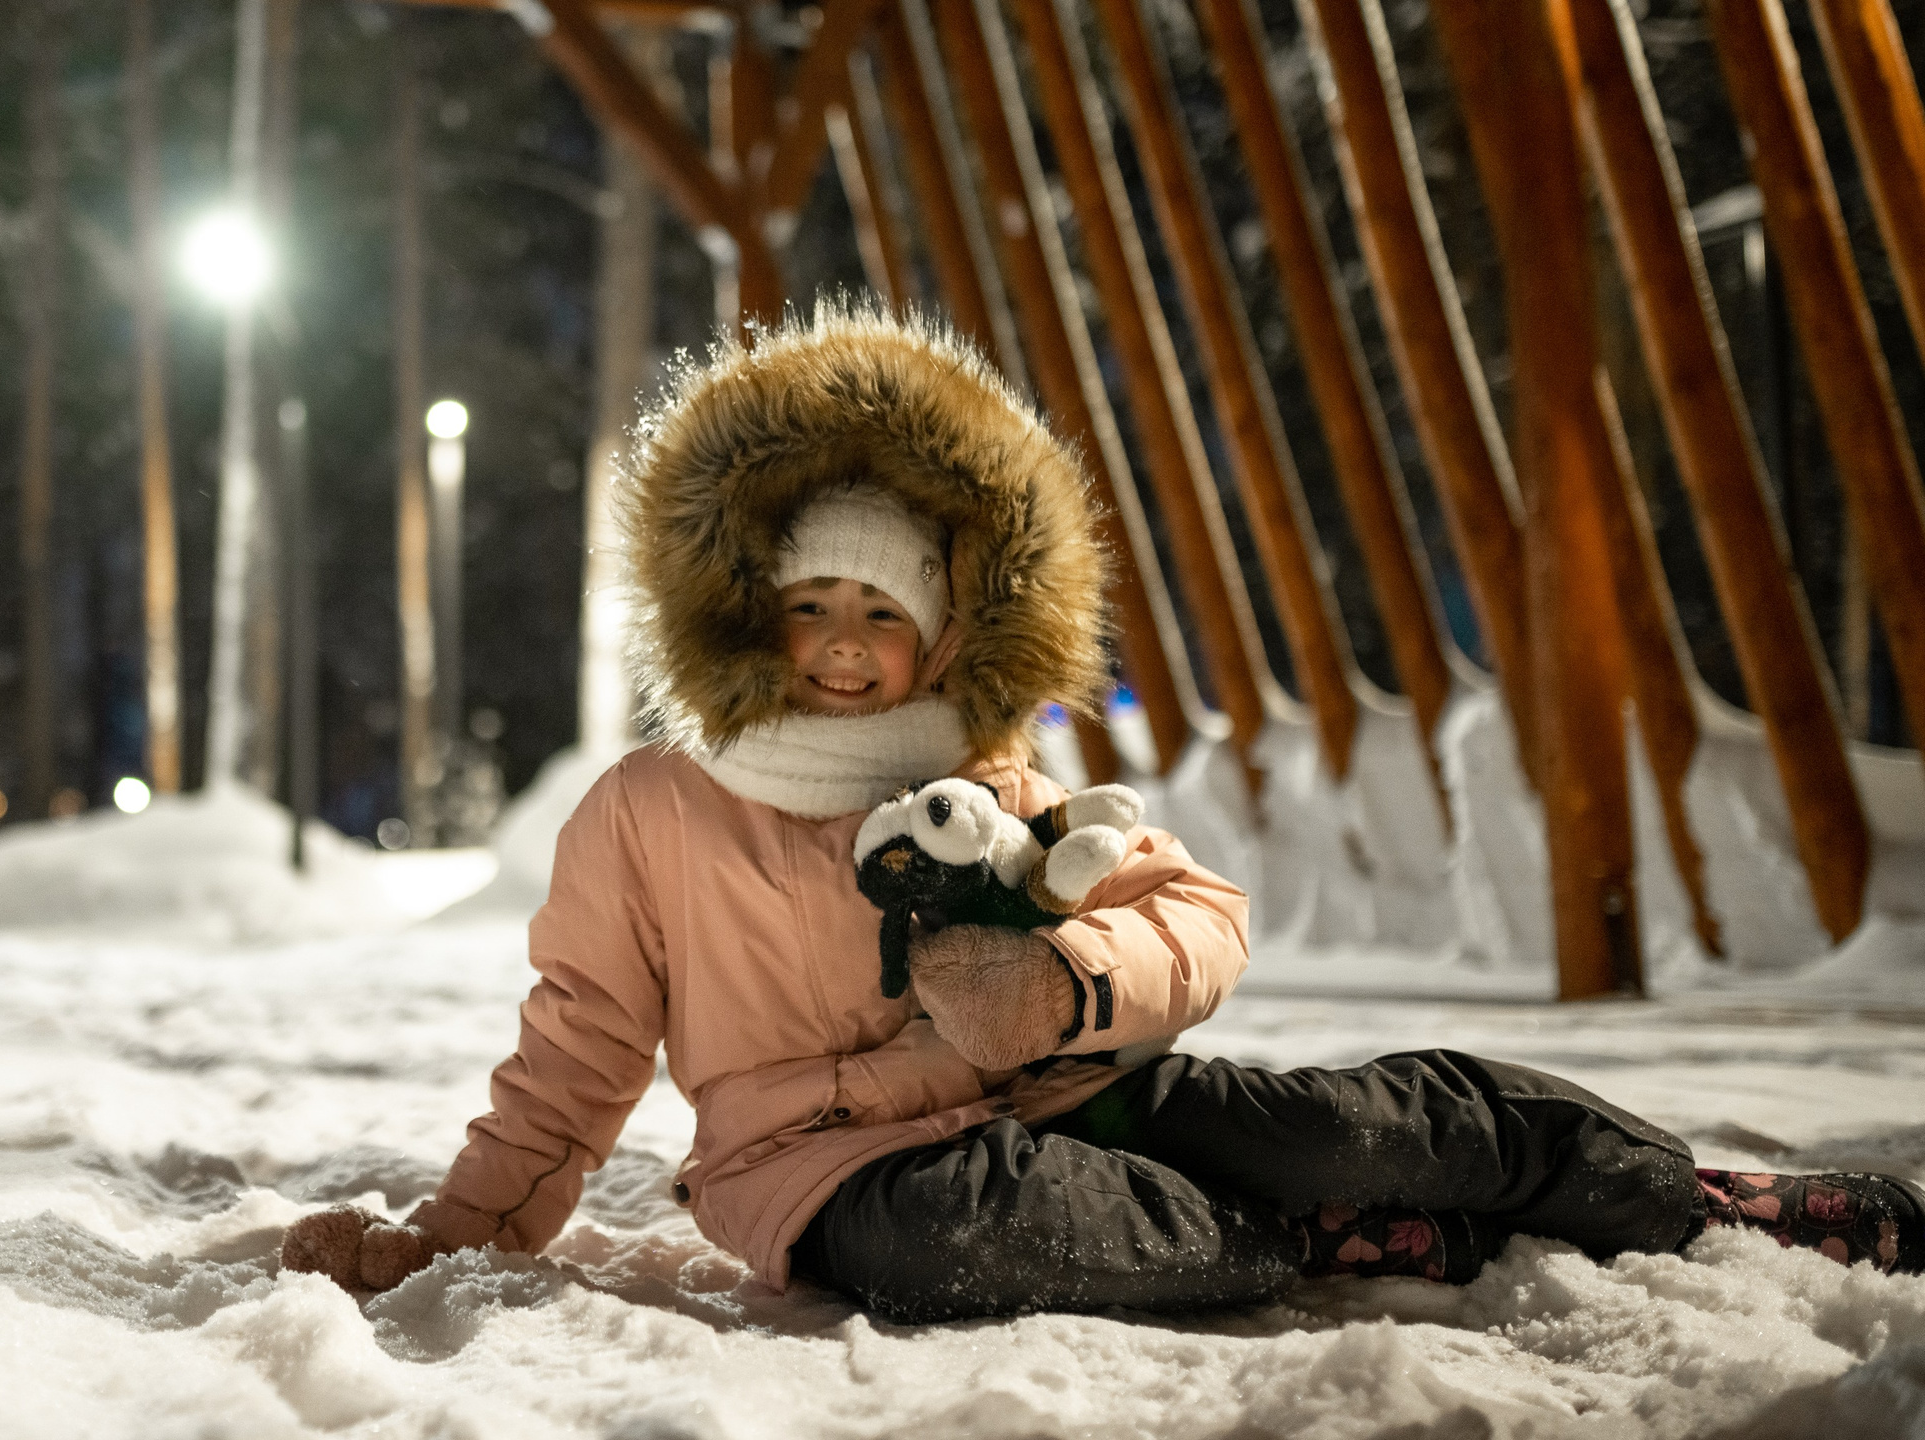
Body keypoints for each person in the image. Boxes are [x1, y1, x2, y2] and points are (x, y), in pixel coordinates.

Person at [283, 307, 1922, 1319]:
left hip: (1071, 1088)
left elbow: (1200, 916)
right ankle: (1330, 1245)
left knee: (1343, 1118)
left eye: (886, 617)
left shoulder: (988, 780)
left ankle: (1684, 1199)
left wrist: (1071, 988)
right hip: (828, 1169)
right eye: (812, 611)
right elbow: (579, 1049)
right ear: (751, 618)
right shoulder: (651, 808)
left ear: (940, 633)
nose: (847, 652)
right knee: (968, 1241)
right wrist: (457, 1233)